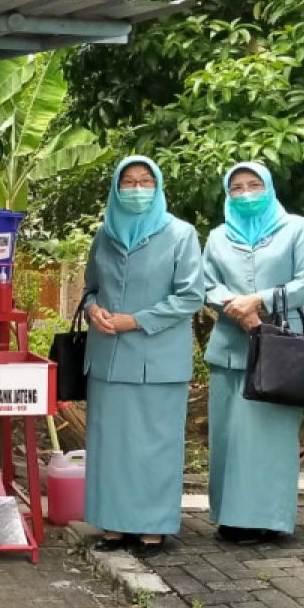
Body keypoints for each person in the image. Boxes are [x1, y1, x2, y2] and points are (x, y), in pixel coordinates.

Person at [83, 156, 204, 558]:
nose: (136, 189)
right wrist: (92, 310)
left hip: (158, 360)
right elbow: (90, 288)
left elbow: (190, 296)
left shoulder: (181, 234)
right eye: (128, 182)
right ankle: (114, 526)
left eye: (144, 181)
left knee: (155, 446)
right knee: (111, 446)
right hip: (108, 359)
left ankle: (152, 528)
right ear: (116, 188)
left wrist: (134, 321)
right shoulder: (104, 234)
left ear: (158, 186)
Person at [202, 162, 304, 545]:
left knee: (269, 437)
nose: (245, 193)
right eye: (236, 187)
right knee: (228, 436)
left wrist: (261, 300)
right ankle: (231, 517)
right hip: (230, 346)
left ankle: (267, 519)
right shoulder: (218, 236)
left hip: (280, 345)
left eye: (254, 184)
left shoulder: (296, 229)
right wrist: (235, 306)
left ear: (269, 187)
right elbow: (206, 283)